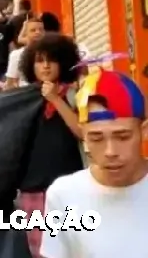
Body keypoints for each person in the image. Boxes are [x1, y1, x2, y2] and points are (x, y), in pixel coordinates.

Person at [41, 70, 148, 258]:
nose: (110, 152)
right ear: (84, 136)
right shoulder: (63, 194)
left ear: (144, 131)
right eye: (96, 138)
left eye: (123, 137)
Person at [17, 33, 84, 258]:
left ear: (63, 62)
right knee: (41, 252)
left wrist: (56, 99)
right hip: (33, 188)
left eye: (51, 60)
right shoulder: (23, 100)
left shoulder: (75, 95)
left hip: (70, 183)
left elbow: (83, 132)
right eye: (39, 60)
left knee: (73, 247)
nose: (45, 66)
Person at [5, 15, 45, 89]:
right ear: (25, 34)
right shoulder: (16, 55)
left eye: (41, 29)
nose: (38, 32)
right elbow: (10, 84)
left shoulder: (51, 52)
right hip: (27, 95)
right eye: (33, 30)